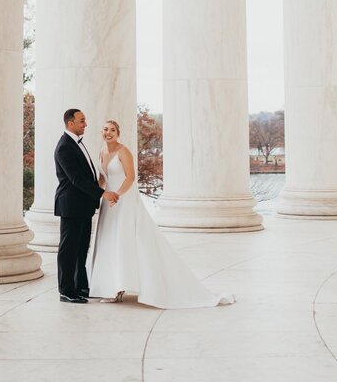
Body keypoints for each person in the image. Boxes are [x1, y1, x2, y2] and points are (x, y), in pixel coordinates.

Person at [87, 119, 235, 308]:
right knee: (108, 239)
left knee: (122, 239)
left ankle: (119, 287)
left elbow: (131, 177)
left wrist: (118, 194)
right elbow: (102, 178)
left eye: (112, 130)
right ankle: (109, 284)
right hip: (109, 201)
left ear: (118, 133)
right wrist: (97, 194)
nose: (108, 133)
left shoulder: (123, 151)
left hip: (124, 200)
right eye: (105, 129)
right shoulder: (102, 151)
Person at [53, 108, 114, 303]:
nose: (85, 124)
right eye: (82, 120)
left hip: (83, 206)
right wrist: (103, 193)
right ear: (70, 123)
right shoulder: (64, 146)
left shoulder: (76, 143)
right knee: (68, 250)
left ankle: (80, 286)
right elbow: (76, 179)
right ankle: (66, 291)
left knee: (80, 249)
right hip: (71, 206)